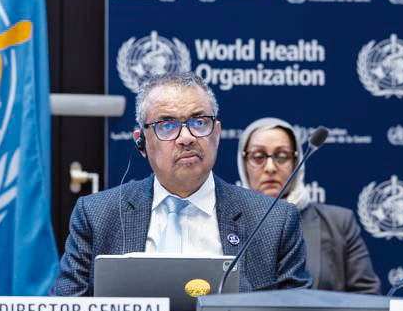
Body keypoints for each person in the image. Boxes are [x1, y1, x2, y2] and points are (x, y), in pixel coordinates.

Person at [52, 72, 310, 296]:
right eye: (167, 125)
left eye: (199, 122)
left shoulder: (273, 219)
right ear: (141, 143)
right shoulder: (97, 216)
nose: (187, 137)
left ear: (217, 134)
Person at [237, 117, 380, 293]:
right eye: (258, 156)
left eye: (281, 156)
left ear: (296, 162)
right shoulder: (225, 219)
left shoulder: (339, 223)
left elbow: (368, 298)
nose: (270, 167)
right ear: (243, 163)